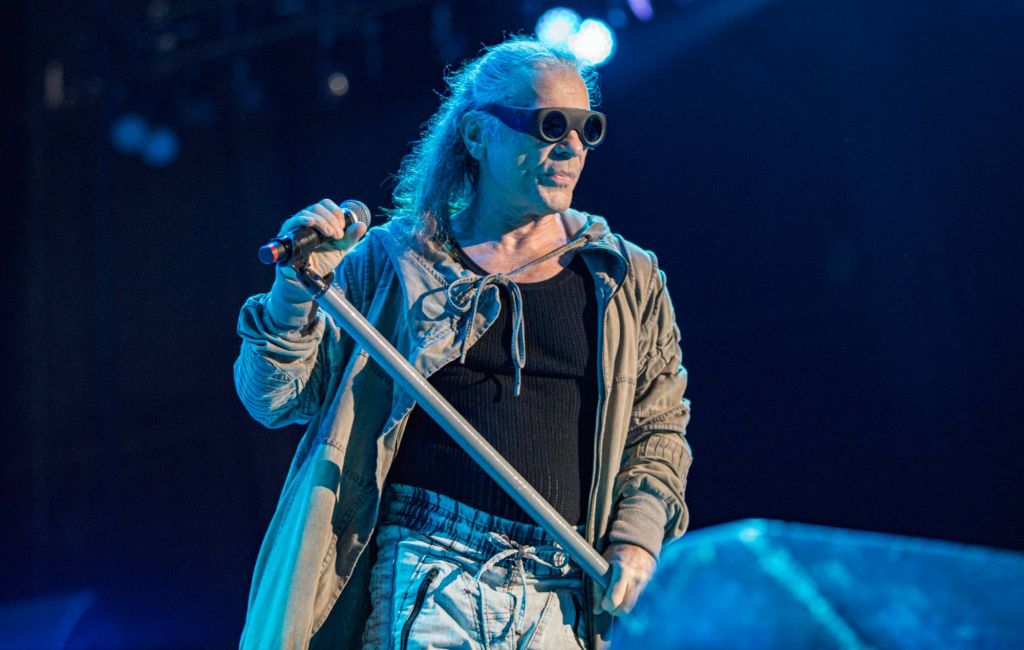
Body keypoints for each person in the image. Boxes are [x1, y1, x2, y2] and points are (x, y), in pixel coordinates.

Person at [234, 36, 692, 649]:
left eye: (589, 128)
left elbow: (659, 426)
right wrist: (292, 293)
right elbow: (273, 399)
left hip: (563, 582)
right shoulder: (395, 261)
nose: (573, 147)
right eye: (551, 125)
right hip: (430, 567)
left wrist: (636, 535)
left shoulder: (623, 277)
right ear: (477, 136)